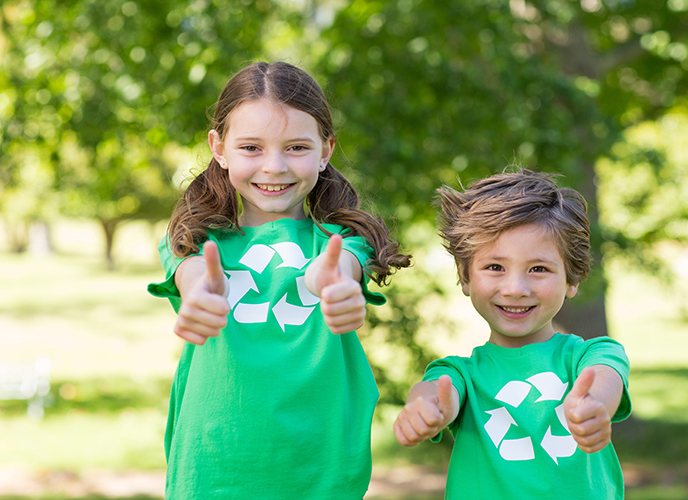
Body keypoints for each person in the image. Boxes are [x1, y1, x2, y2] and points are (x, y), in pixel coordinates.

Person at [147, 61, 411, 499]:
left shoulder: (343, 243)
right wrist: (199, 297)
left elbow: (341, 266)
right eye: (251, 147)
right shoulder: (194, 240)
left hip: (319, 472)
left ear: (325, 150)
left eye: (296, 148)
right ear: (219, 147)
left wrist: (334, 283)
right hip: (213, 470)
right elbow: (195, 276)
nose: (274, 167)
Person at [393, 169, 632, 499]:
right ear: (464, 277)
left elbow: (605, 380)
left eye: (538, 269)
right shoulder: (461, 374)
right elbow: (433, 392)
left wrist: (595, 407)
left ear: (572, 279)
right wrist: (424, 409)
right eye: (494, 267)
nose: (515, 289)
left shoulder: (591, 355)